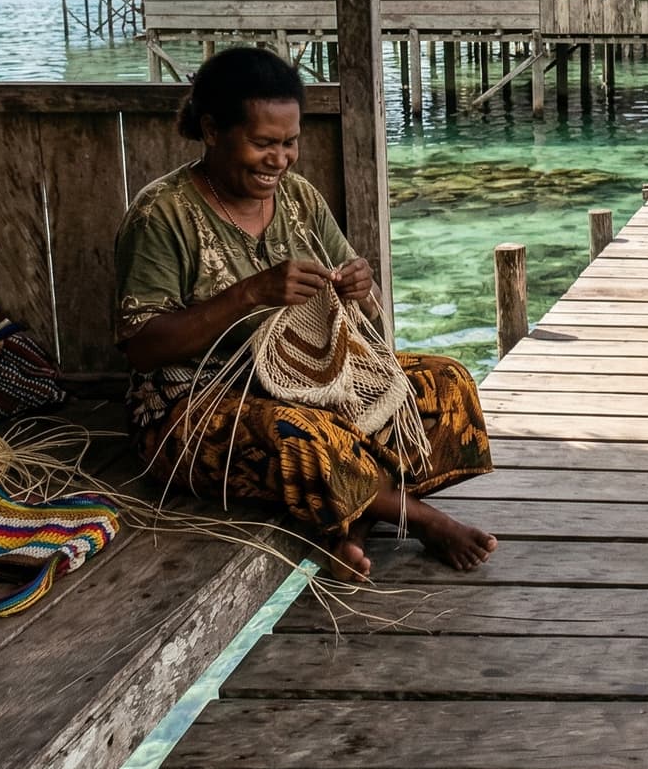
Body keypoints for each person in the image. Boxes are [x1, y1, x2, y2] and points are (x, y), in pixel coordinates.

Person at [115, 47, 496, 581]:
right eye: (262, 143)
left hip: (309, 380)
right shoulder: (162, 213)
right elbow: (141, 347)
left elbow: (369, 320)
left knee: (446, 383)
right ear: (212, 130)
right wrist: (251, 293)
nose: (279, 160)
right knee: (305, 434)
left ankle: (354, 527)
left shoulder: (298, 198)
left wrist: (361, 288)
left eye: (289, 142)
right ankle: (422, 520)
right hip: (189, 409)